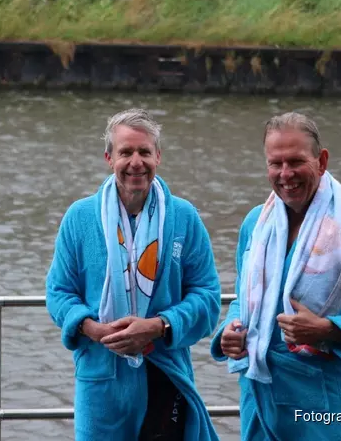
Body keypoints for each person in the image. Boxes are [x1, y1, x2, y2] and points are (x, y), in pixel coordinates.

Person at [211, 112, 341, 440]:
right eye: (276, 163)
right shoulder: (255, 225)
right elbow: (244, 300)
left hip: (322, 412)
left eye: (296, 161)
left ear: (322, 161)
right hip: (259, 405)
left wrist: (328, 330)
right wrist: (229, 332)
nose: (285, 174)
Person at [45, 108, 222, 441]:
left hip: (165, 372)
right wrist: (91, 328)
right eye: (126, 152)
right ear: (109, 159)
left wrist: (158, 326)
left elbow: (207, 296)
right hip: (101, 378)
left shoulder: (183, 216)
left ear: (158, 156)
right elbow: (58, 292)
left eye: (144, 152)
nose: (135, 162)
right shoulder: (80, 217)